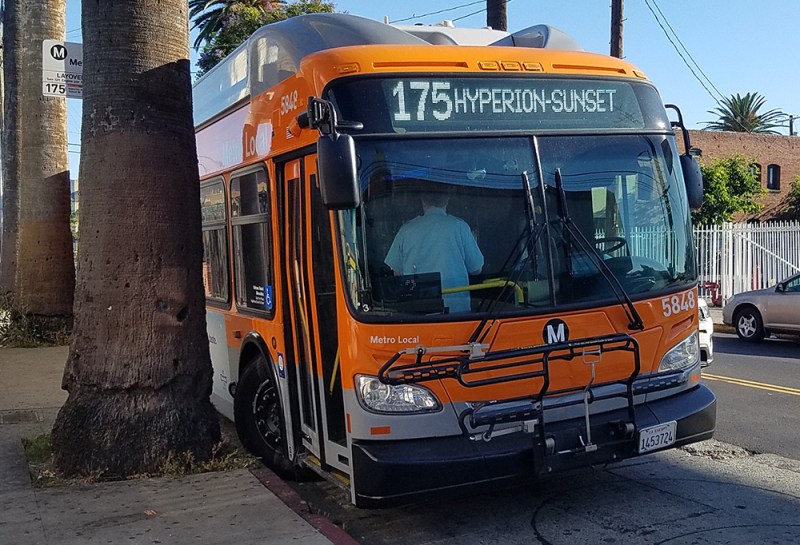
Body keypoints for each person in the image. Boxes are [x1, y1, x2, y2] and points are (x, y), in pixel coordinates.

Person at [384, 189, 484, 313]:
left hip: (418, 311)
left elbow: (397, 274)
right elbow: (476, 269)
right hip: (457, 313)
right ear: (448, 199)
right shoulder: (460, 227)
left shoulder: (406, 230)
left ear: (422, 200)